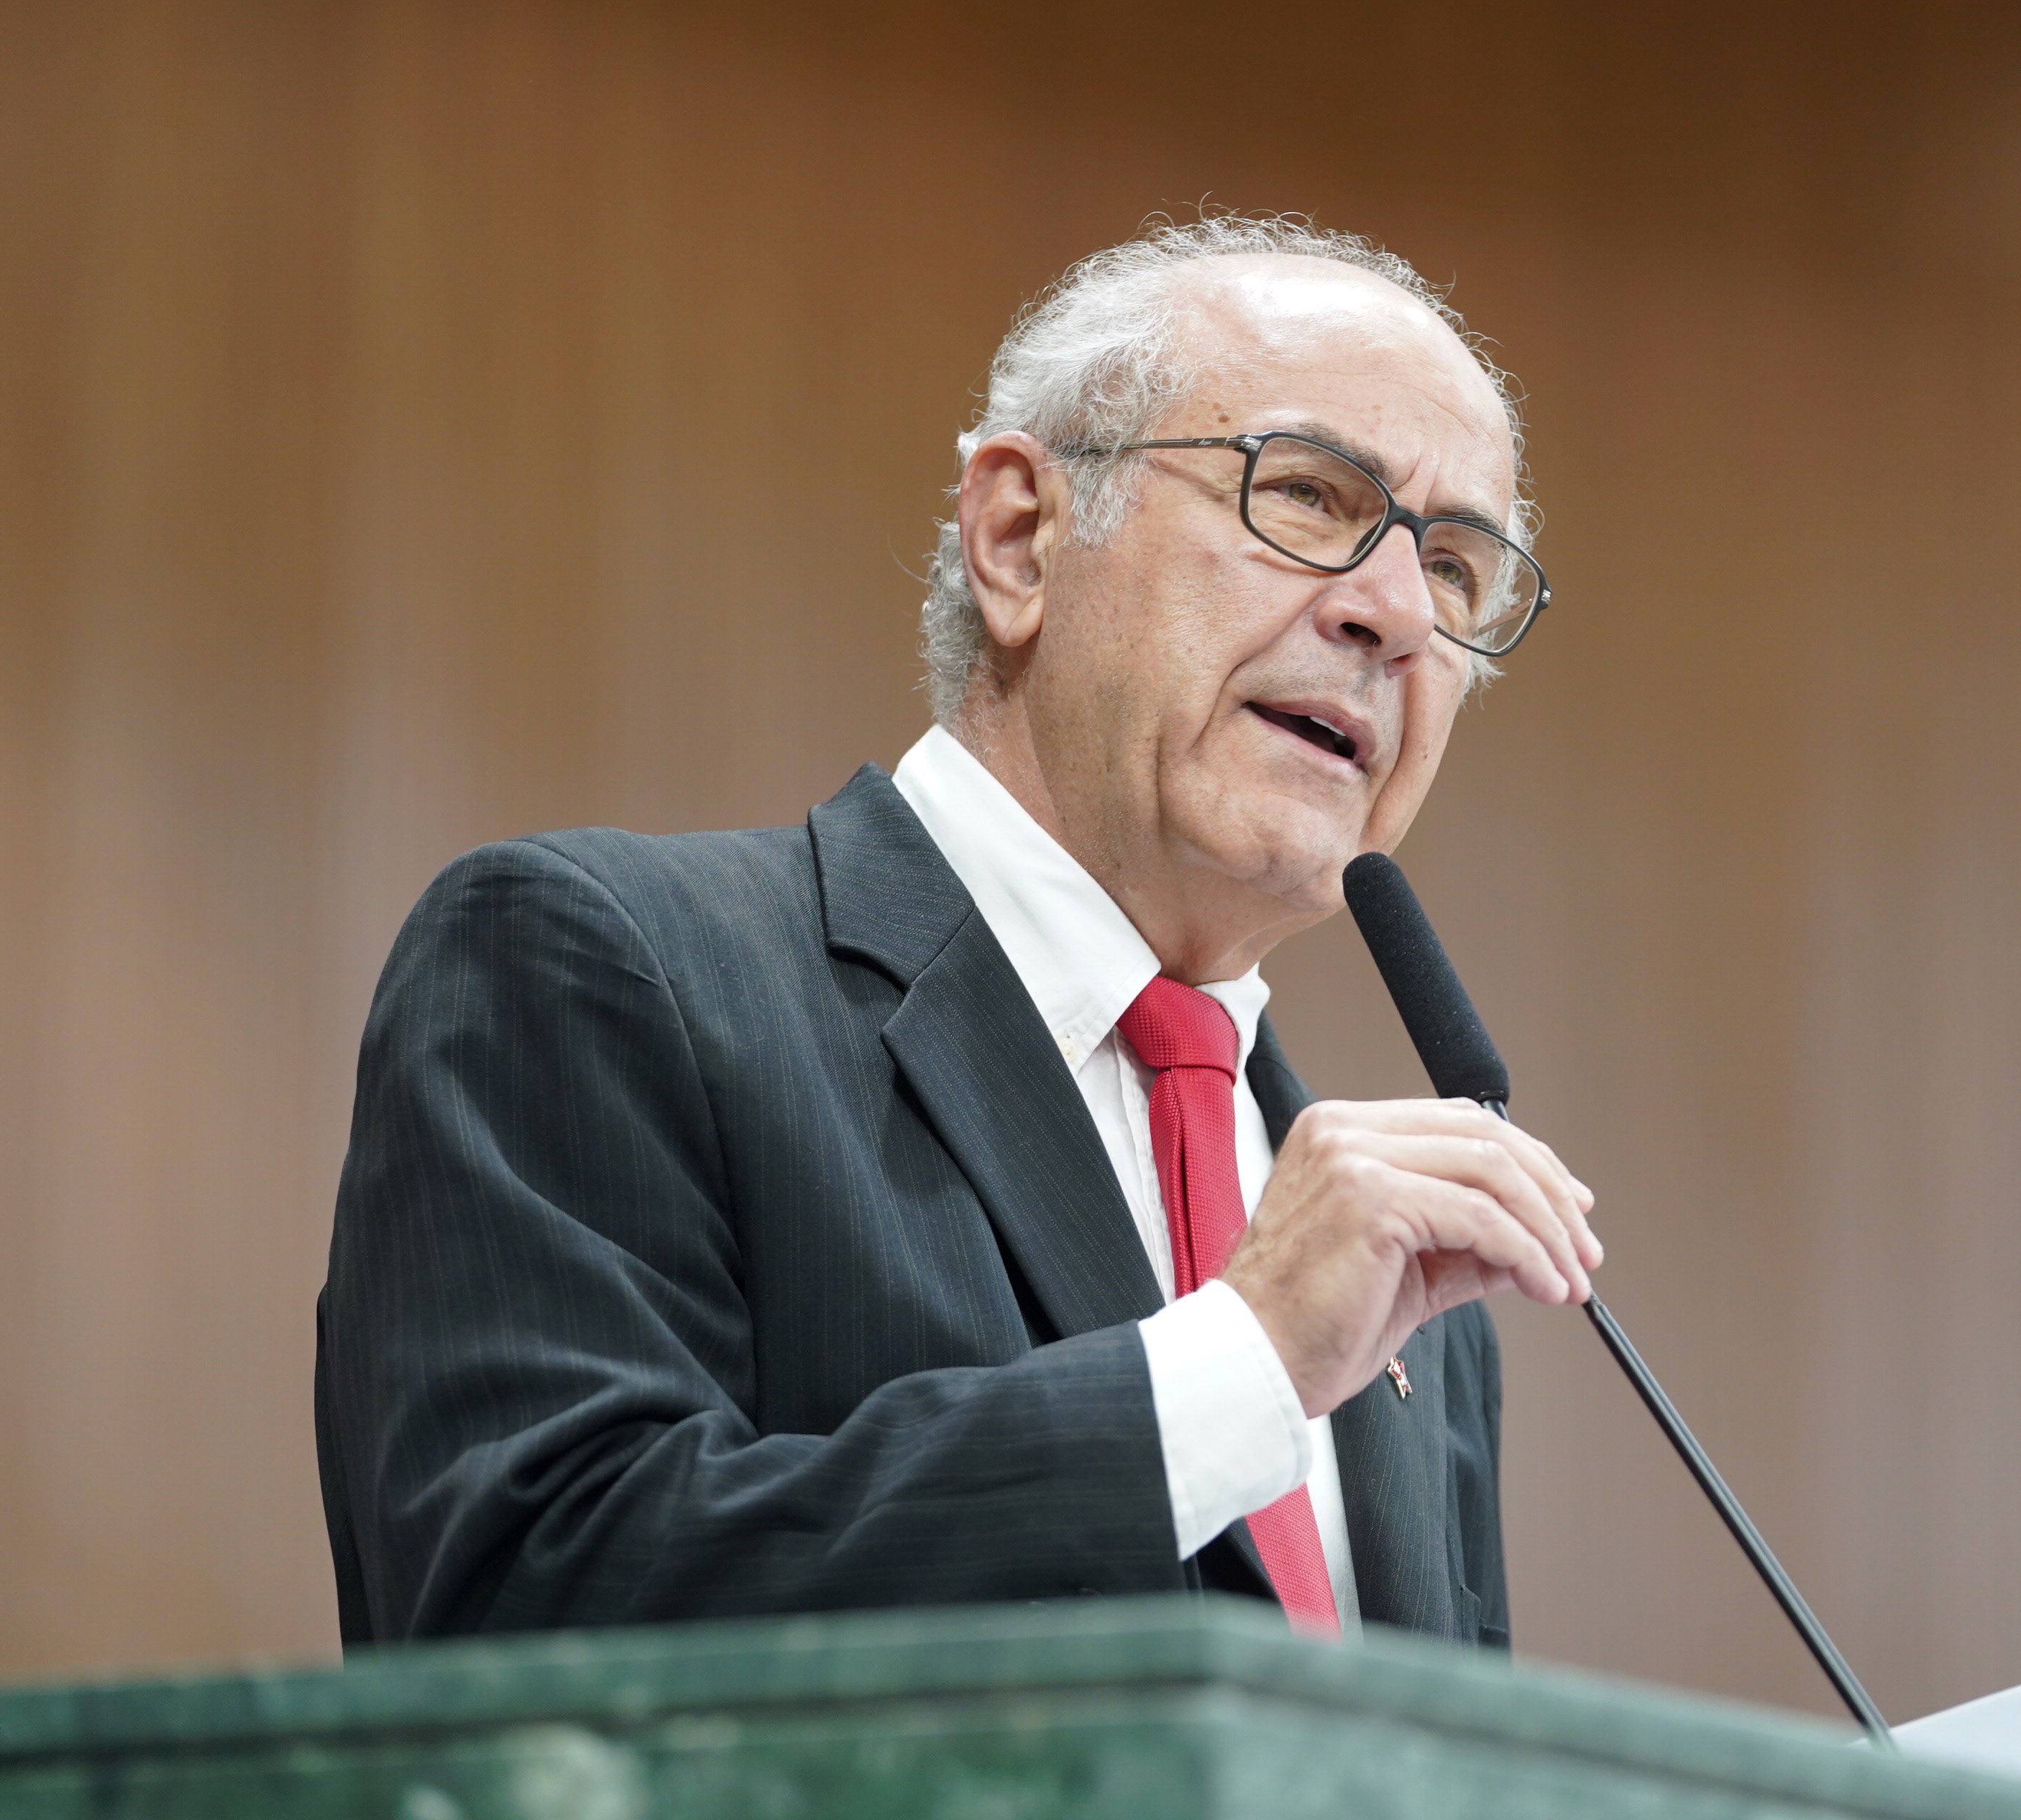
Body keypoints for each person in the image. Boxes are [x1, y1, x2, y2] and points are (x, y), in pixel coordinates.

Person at [314, 216, 1599, 1650]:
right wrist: (1234, 1369)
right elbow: (528, 1609)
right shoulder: (599, 970)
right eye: (1306, 494)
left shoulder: (1415, 1302)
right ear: (1019, 537)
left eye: (1458, 571)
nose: (1397, 615)